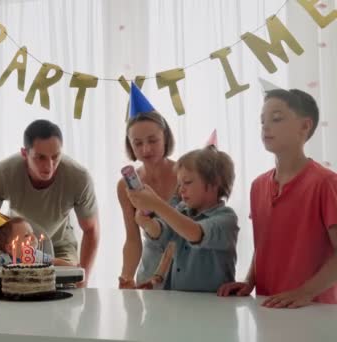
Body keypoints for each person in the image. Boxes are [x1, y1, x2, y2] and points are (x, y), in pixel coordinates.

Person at [218, 89, 337, 307]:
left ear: (305, 126)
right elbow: (264, 245)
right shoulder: (258, 186)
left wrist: (305, 293)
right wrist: (249, 281)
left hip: (314, 311)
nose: (265, 126)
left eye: (276, 118)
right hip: (268, 308)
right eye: (262, 120)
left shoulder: (326, 183)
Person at [0, 119, 100, 285]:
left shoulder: (79, 178)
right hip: (16, 245)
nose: (49, 166)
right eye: (40, 158)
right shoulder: (4, 173)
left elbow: (91, 230)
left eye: (55, 157)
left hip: (61, 244)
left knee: (67, 286)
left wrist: (83, 278)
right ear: (25, 154)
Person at [129, 146, 239, 292]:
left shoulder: (226, 218)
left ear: (214, 184)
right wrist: (146, 222)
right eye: (179, 184)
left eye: (187, 182)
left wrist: (157, 204)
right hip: (180, 302)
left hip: (215, 305)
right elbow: (163, 232)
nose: (181, 189)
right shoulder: (182, 210)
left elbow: (195, 233)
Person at [117, 110, 179, 289]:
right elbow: (132, 239)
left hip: (186, 272)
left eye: (153, 140)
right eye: (138, 143)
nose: (146, 149)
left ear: (165, 138)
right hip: (148, 276)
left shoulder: (186, 174)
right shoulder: (124, 186)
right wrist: (126, 277)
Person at [0, 202, 73, 266]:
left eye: (32, 233)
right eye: (26, 235)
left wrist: (72, 266)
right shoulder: (2, 261)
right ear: (10, 248)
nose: (33, 237)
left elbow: (55, 262)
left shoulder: (37, 256)